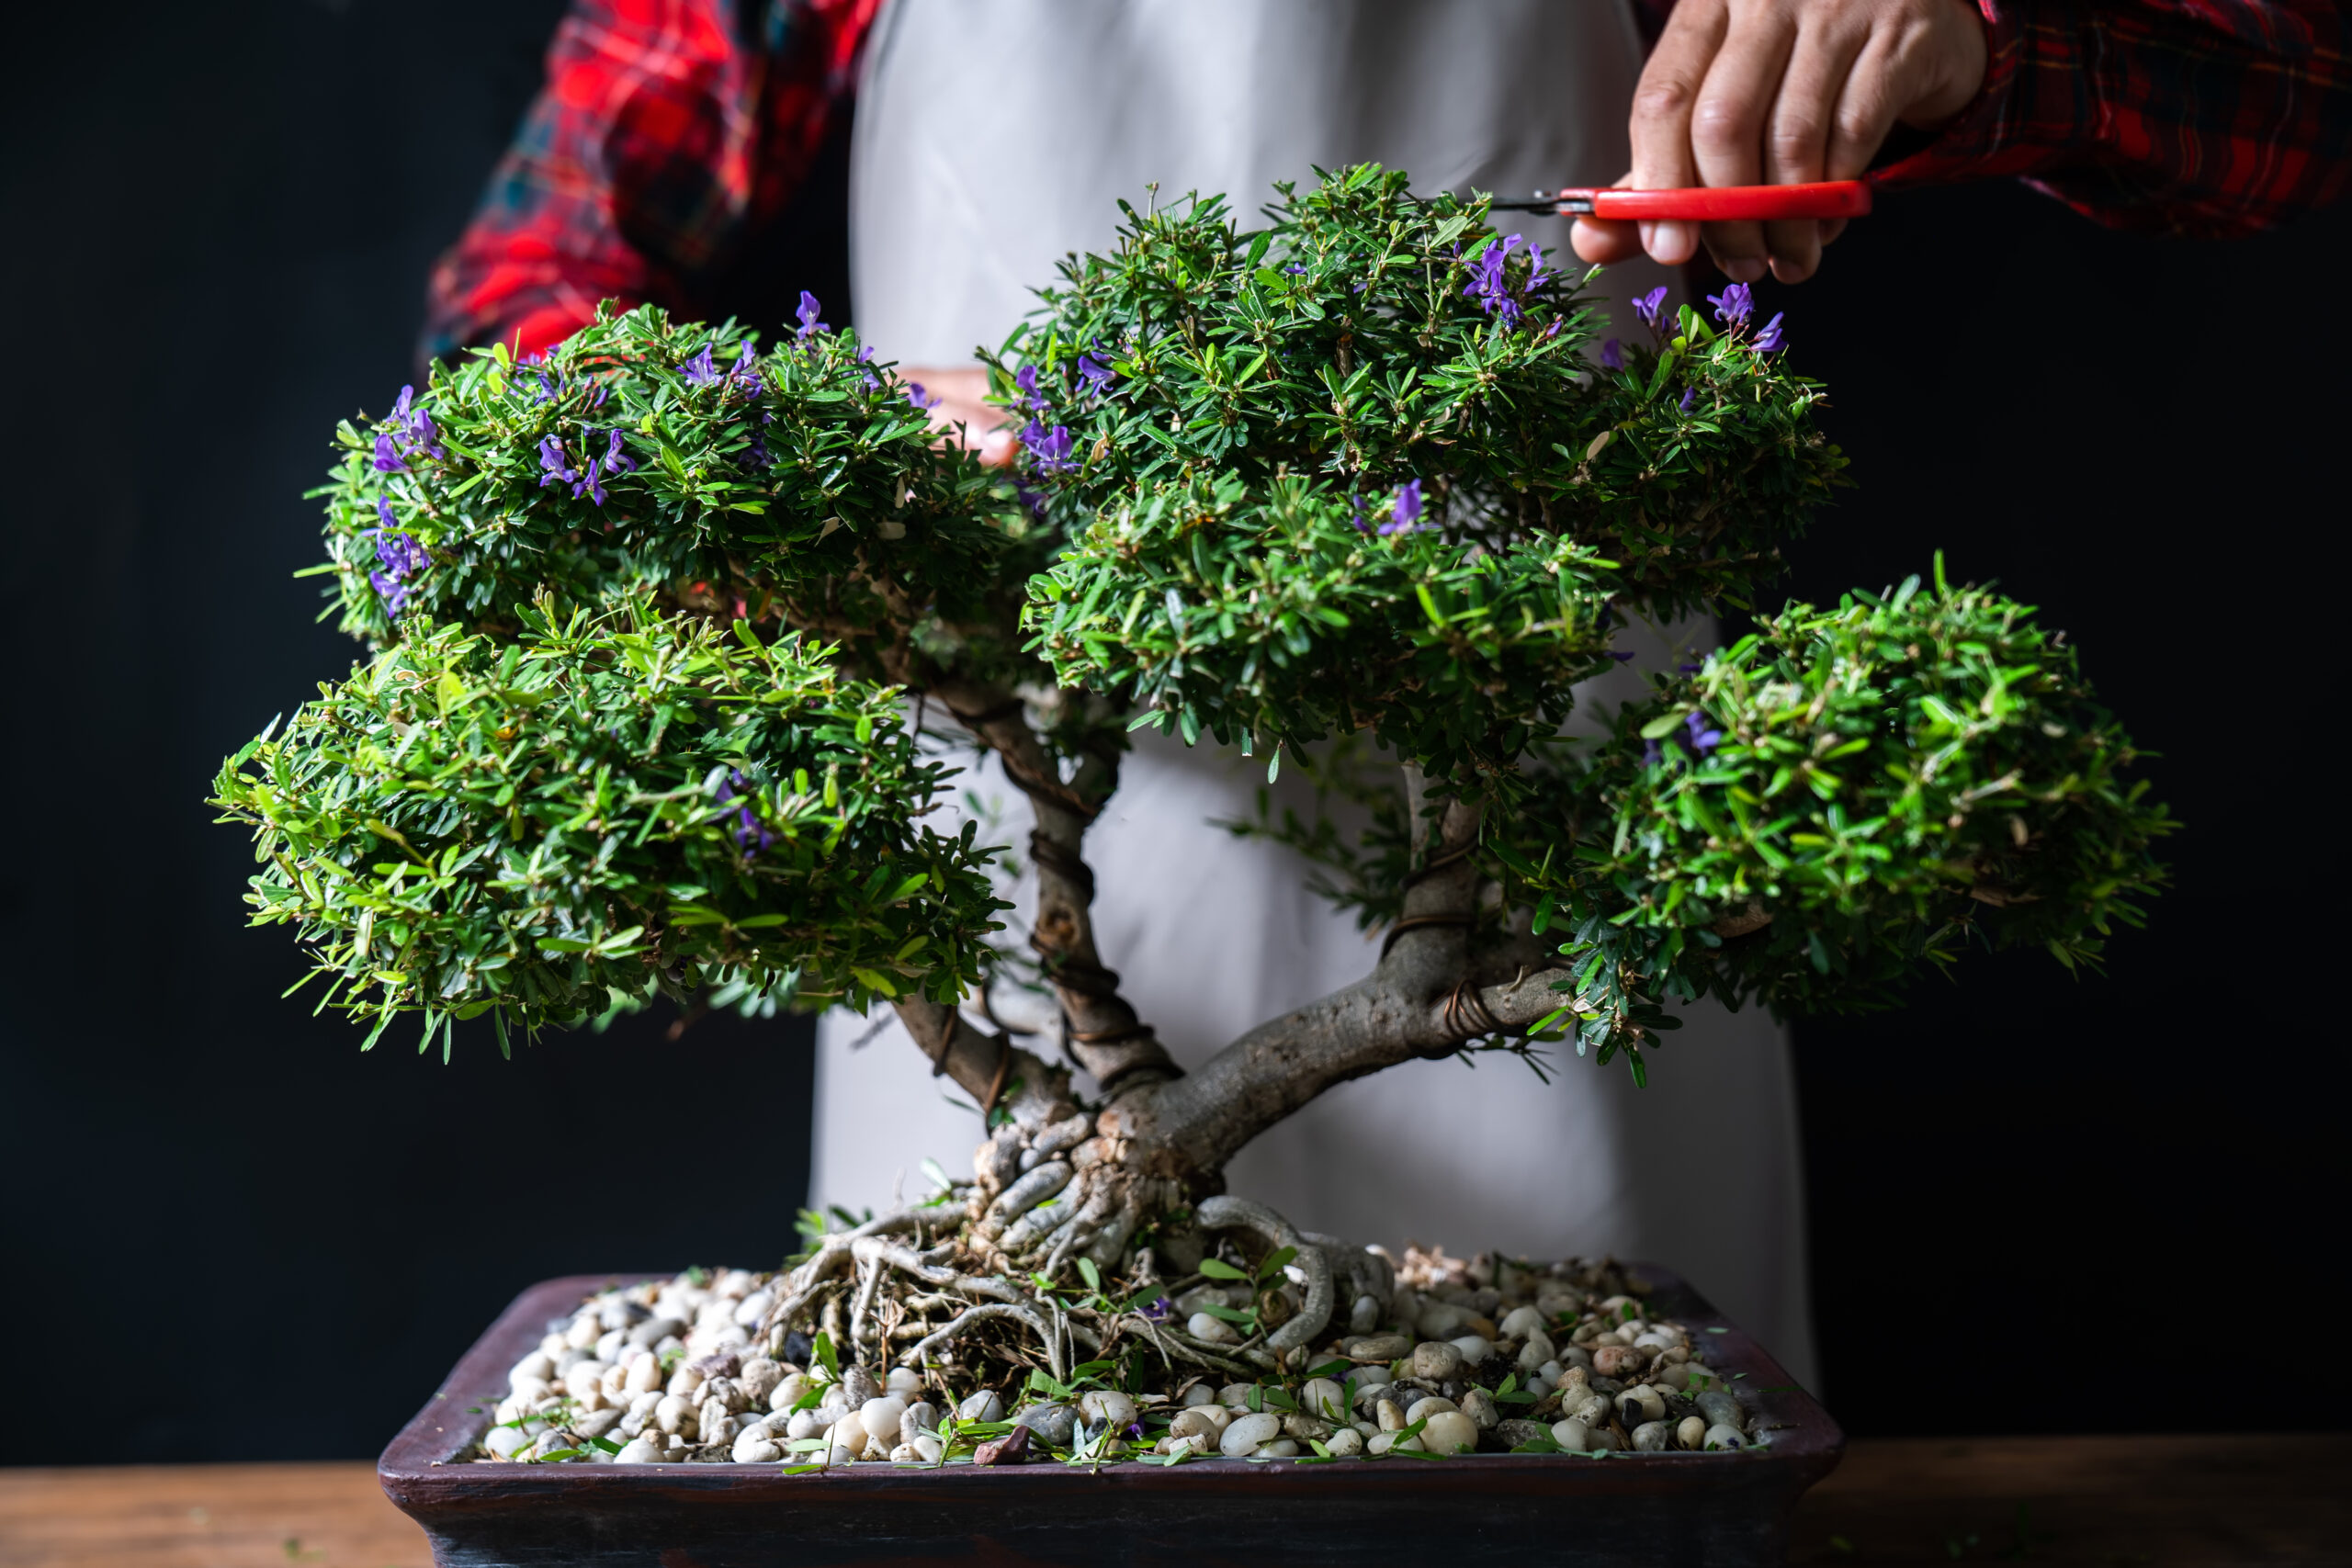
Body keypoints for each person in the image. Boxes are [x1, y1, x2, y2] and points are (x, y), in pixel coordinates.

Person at [424, 0, 2346, 1392]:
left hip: (1542, 878)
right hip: (1004, 881)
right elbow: (517, 299)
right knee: (995, 1421)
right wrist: (761, 463)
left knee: (1580, 1446)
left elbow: (2279, 81)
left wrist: (1978, 34)